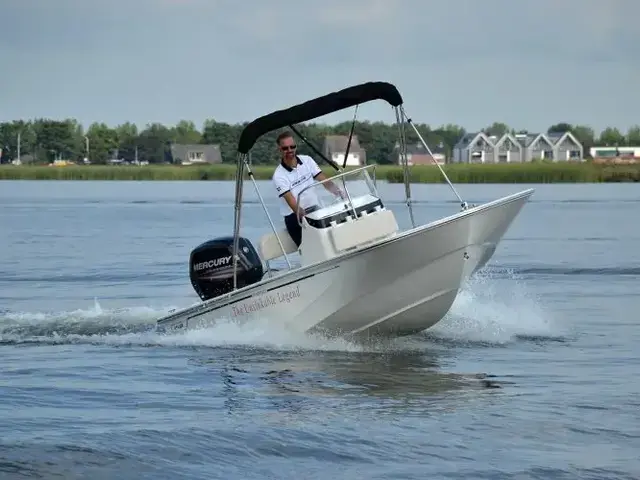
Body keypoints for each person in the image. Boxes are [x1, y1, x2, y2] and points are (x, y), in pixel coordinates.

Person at [272, 131, 344, 247]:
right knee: (315, 246)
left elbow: (323, 180)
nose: (290, 150)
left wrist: (339, 192)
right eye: (285, 148)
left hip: (315, 210)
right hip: (295, 217)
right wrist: (304, 216)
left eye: (292, 147)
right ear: (279, 150)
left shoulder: (307, 160)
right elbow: (291, 202)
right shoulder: (279, 175)